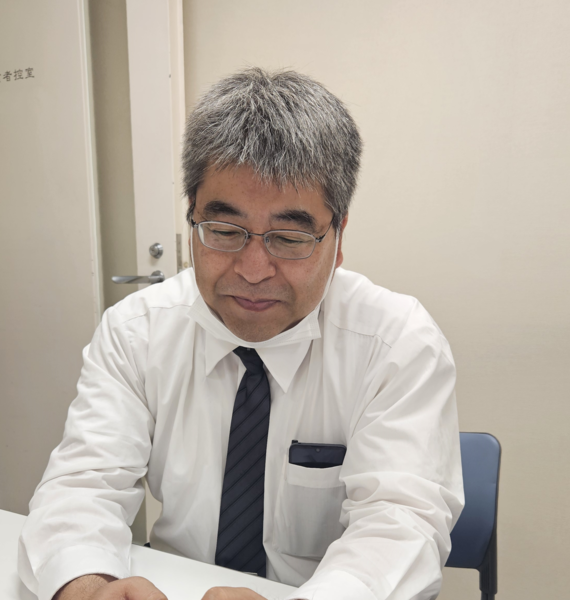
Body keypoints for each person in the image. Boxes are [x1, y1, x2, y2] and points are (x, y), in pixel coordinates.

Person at [18, 68, 464, 600]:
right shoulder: (136, 331)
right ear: (192, 220)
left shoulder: (397, 344)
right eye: (225, 231)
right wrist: (88, 588)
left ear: (338, 236)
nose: (253, 270)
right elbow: (83, 485)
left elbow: (400, 524)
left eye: (290, 237)